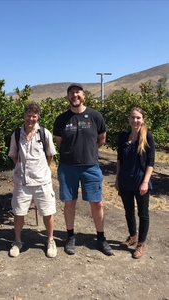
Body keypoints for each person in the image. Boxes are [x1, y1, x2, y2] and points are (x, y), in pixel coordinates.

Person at [53, 83, 113, 256]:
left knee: (97, 203)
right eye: (71, 93)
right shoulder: (61, 119)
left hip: (90, 166)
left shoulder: (95, 116)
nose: (75, 95)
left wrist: (89, 152)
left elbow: (101, 139)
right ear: (67, 97)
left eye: (77, 92)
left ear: (84, 95)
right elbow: (60, 142)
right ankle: (70, 236)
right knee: (70, 202)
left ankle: (101, 238)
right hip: (68, 167)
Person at [8, 102, 57, 258]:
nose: (31, 119)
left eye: (34, 116)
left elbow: (50, 155)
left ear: (38, 117)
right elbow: (14, 156)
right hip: (22, 182)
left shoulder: (44, 133)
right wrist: (24, 170)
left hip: (42, 181)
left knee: (48, 212)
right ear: (24, 115)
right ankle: (17, 241)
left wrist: (40, 170)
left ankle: (50, 240)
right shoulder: (16, 135)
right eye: (28, 115)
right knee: (19, 212)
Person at [115, 107, 155, 259]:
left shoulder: (147, 137)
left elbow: (151, 162)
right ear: (129, 119)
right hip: (125, 180)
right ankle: (133, 236)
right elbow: (119, 159)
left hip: (140, 180)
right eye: (132, 117)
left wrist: (145, 182)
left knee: (143, 213)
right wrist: (117, 178)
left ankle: (141, 243)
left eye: (138, 118)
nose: (135, 120)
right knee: (128, 211)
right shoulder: (123, 137)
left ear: (142, 119)